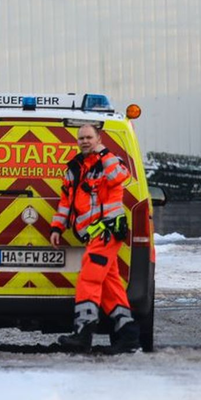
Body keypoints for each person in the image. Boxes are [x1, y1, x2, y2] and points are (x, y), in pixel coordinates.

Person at [50, 124, 141, 354]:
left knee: (88, 279)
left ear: (98, 139)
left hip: (107, 232)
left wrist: (103, 153)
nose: (85, 141)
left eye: (89, 137)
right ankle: (128, 335)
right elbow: (65, 203)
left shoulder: (109, 162)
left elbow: (122, 176)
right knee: (111, 286)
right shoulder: (74, 168)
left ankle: (83, 334)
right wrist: (57, 228)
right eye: (81, 138)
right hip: (93, 236)